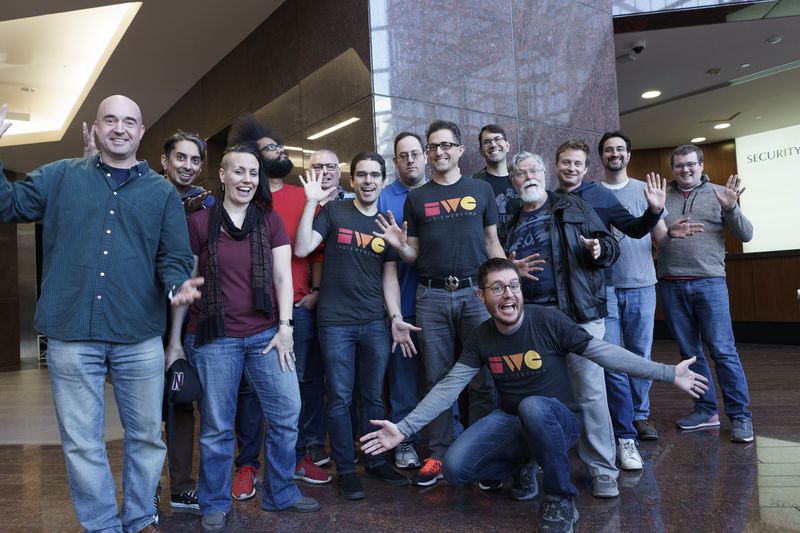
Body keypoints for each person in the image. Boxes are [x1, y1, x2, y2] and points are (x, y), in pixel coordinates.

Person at [360, 258, 708, 533]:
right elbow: (449, 387)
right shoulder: (481, 337)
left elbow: (604, 353)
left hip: (559, 419)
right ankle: (524, 464)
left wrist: (667, 372)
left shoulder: (548, 321)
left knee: (533, 407)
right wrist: (405, 429)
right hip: (513, 421)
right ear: (481, 297)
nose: (508, 294)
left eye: (513, 286)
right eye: (497, 288)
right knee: (455, 468)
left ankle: (560, 499)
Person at [0, 97, 200, 533]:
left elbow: (175, 256)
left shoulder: (162, 192)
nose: (120, 128)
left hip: (139, 335)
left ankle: (140, 517)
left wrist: (176, 283)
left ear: (141, 131)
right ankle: (104, 526)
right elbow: (8, 204)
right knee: (81, 443)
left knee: (147, 437)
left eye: (130, 121)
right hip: (71, 333)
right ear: (96, 127)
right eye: (111, 119)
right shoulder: (60, 176)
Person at [169, 144, 320, 533]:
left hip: (267, 334)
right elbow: (187, 285)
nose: (247, 180)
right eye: (239, 172)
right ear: (222, 175)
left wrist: (286, 327)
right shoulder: (200, 223)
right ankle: (215, 501)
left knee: (287, 412)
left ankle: (281, 491)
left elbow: (283, 277)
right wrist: (174, 342)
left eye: (253, 174)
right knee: (217, 426)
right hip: (213, 337)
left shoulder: (269, 222)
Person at [295, 152, 419, 500]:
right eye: (361, 175)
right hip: (335, 323)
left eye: (374, 175)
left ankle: (376, 461)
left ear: (382, 180)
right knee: (338, 396)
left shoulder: (386, 222)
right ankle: (347, 468)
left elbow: (390, 279)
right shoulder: (334, 212)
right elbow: (303, 246)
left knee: (372, 398)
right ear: (352, 181)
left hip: (374, 323)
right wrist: (310, 204)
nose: (367, 181)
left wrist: (395, 318)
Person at [225, 116, 330, 502]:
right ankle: (248, 465)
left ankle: (295, 459)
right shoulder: (243, 198)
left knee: (299, 387)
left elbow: (315, 250)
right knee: (249, 393)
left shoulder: (303, 195)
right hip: (251, 314)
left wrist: (316, 290)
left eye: (281, 148)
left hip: (297, 309)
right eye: (272, 149)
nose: (280, 154)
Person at [553, 138, 664, 496]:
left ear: (587, 170)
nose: (570, 169)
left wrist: (654, 212)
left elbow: (632, 230)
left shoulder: (598, 196)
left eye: (577, 164)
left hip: (603, 296)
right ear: (556, 166)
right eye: (565, 163)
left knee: (617, 364)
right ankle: (602, 437)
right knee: (596, 375)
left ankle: (625, 437)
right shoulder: (548, 200)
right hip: (562, 302)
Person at [597, 131, 704, 449]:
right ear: (601, 156)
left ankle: (640, 415)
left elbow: (662, 237)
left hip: (642, 285)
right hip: (605, 289)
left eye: (620, 149)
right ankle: (621, 418)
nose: (615, 154)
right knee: (612, 358)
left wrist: (671, 233)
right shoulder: (592, 193)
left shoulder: (645, 190)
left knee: (641, 354)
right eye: (608, 150)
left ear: (628, 155)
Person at [657, 144, 754, 443]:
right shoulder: (662, 196)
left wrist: (730, 207)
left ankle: (740, 417)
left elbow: (746, 234)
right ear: (672, 169)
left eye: (690, 165)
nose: (685, 170)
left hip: (709, 284)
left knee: (723, 351)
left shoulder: (719, 194)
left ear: (701, 166)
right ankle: (705, 410)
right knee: (690, 355)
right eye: (679, 165)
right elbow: (655, 238)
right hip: (671, 284)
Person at [377, 131, 428, 469]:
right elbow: (387, 266)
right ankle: (404, 443)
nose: (410, 159)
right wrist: (395, 315)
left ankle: (443, 445)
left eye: (415, 153)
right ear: (394, 161)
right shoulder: (384, 198)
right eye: (402, 155)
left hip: (441, 305)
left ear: (425, 156)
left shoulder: (443, 191)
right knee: (403, 383)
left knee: (444, 379)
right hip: (404, 306)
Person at [472, 124, 518, 244]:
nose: (493, 145)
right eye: (487, 142)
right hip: (489, 256)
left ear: (507, 145)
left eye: (498, 139)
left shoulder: (522, 179)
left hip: (523, 251)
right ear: (481, 151)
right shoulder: (474, 184)